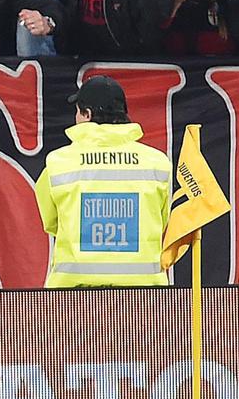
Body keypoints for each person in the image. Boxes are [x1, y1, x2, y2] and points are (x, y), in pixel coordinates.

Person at [33, 76, 172, 288]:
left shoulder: (58, 162)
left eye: (78, 111)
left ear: (87, 114)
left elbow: (51, 223)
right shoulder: (158, 163)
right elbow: (161, 219)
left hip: (72, 296)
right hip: (145, 296)